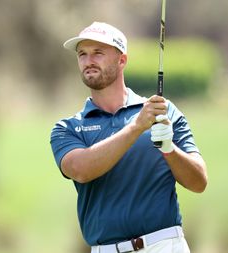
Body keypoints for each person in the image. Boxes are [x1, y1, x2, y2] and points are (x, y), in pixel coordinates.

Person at [50, 21, 208, 253]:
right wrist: (136, 127)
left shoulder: (164, 112)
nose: (88, 61)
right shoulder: (68, 128)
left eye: (98, 53)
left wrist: (169, 149)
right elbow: (81, 170)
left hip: (164, 246)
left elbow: (199, 182)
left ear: (121, 60)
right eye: (82, 54)